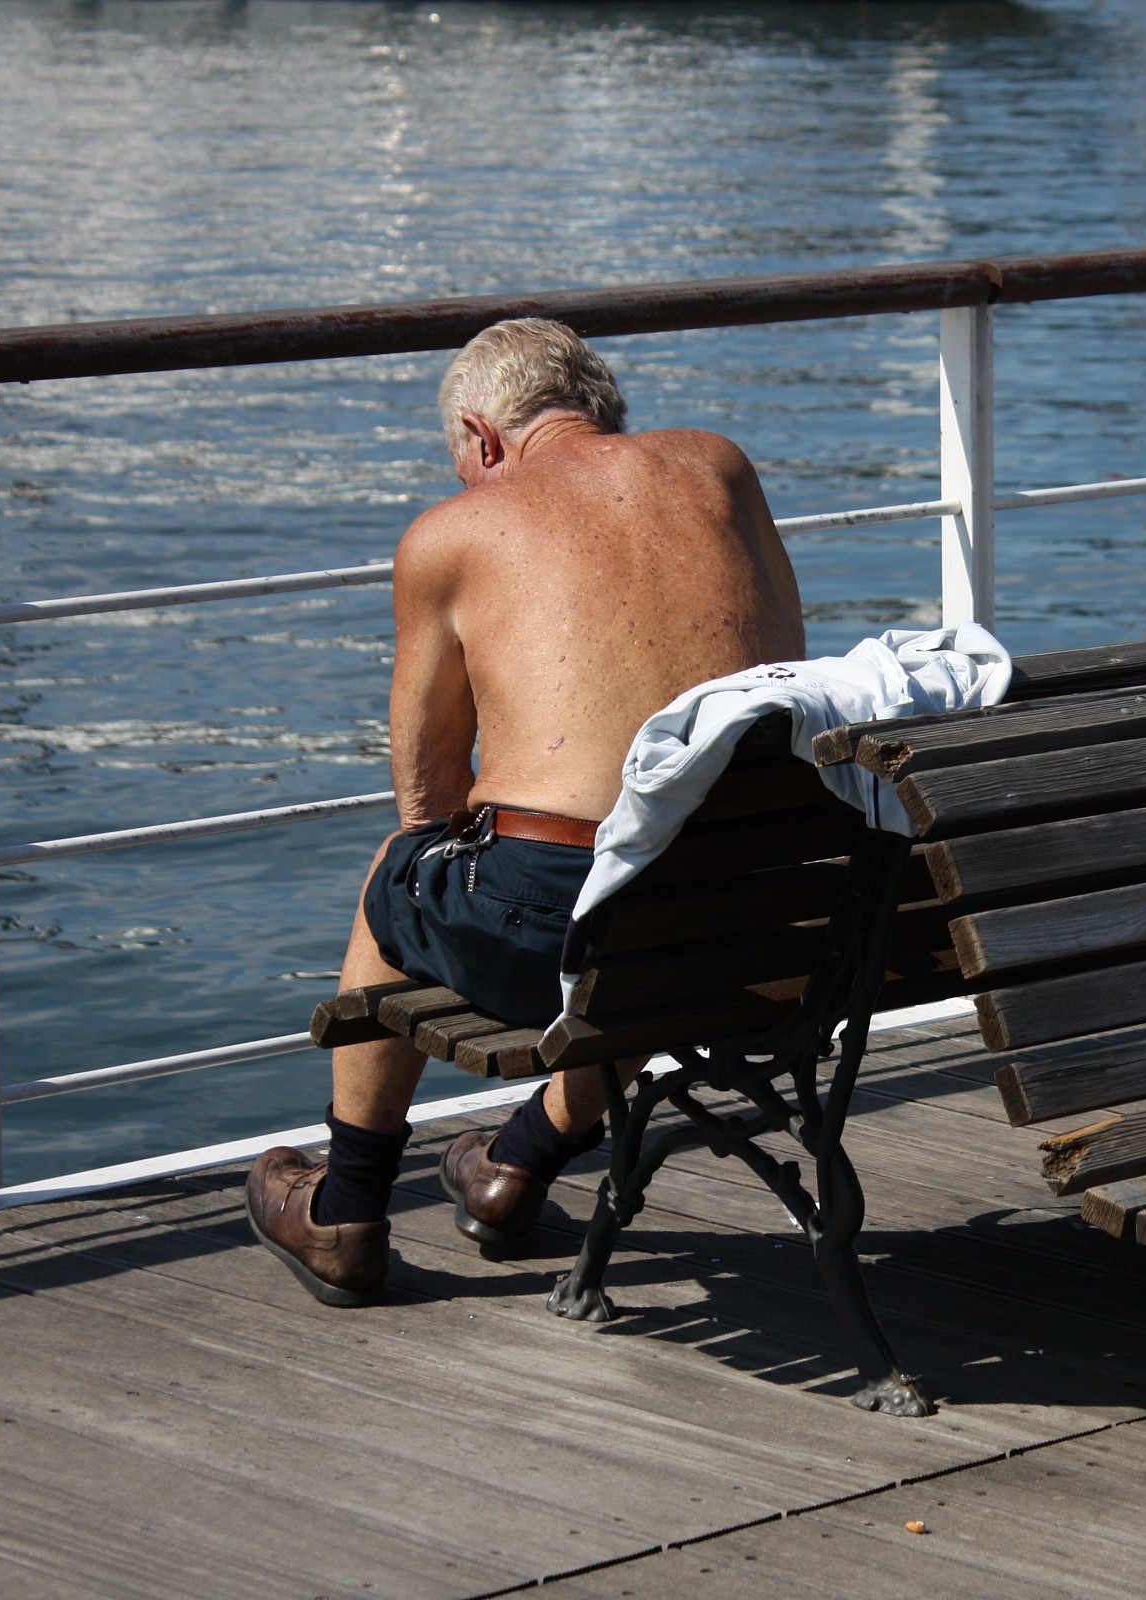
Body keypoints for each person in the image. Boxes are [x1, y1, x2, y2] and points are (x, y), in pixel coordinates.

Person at [245, 318, 806, 1307]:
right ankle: (519, 1161)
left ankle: (347, 1212)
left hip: (577, 915)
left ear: (482, 436)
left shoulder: (451, 533)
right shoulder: (719, 468)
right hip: (760, 902)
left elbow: (424, 797)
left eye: (462, 462)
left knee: (401, 871)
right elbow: (778, 677)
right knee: (653, 889)